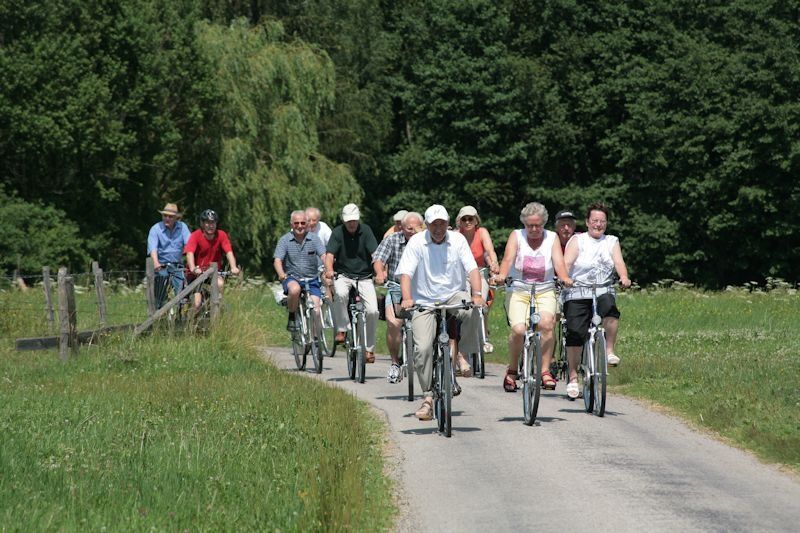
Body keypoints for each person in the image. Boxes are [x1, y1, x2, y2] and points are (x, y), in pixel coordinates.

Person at [396, 204, 485, 421]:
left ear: (448, 224)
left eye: (442, 223)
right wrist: (407, 299)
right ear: (427, 225)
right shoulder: (417, 242)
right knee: (423, 347)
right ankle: (427, 396)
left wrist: (477, 293)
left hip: (453, 295)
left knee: (473, 310)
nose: (438, 228)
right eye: (434, 224)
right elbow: (406, 274)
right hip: (423, 300)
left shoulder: (457, 240)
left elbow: (472, 269)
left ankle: (463, 355)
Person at [492, 202, 572, 393]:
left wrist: (565, 278)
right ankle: (512, 370)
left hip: (544, 289)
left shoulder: (551, 238)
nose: (534, 229)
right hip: (519, 290)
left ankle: (544, 370)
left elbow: (559, 263)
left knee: (546, 324)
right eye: (530, 225)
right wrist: (502, 276)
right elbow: (508, 259)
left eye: (538, 225)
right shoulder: (516, 236)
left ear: (544, 223)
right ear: (524, 224)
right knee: (519, 330)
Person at [563, 202, 631, 398]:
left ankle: (609, 350)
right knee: (575, 331)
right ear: (587, 222)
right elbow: (567, 263)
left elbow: (619, 262)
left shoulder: (611, 241)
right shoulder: (578, 240)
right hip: (577, 291)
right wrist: (565, 278)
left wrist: (624, 277)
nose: (598, 224)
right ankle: (574, 377)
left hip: (602, 289)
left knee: (610, 309)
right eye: (595, 221)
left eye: (602, 221)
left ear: (606, 224)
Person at [323, 203, 379, 362]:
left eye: (354, 220)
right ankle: (342, 329)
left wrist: (380, 271)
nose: (351, 224)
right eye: (348, 221)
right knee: (340, 293)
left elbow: (375, 254)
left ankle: (369, 349)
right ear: (344, 220)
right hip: (344, 274)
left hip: (365, 275)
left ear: (358, 219)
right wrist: (329, 269)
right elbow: (329, 255)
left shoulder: (366, 231)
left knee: (373, 311)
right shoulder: (337, 233)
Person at [373, 211, 424, 382]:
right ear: (401, 227)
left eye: (416, 228)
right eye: (409, 228)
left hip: (420, 289)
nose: (412, 231)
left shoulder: (427, 241)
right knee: (393, 322)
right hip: (396, 287)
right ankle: (395, 363)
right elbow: (379, 258)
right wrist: (380, 272)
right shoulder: (393, 239)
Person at [456, 205, 500, 355]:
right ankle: (462, 340)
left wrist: (494, 264)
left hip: (480, 274)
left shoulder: (482, 233)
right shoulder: (456, 235)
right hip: (462, 276)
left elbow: (489, 251)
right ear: (459, 222)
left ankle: (483, 337)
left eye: (471, 219)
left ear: (476, 221)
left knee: (481, 304)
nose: (468, 222)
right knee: (464, 306)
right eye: (464, 219)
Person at [274, 210, 326, 331]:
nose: (300, 226)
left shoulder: (314, 239)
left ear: (307, 224)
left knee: (317, 310)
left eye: (303, 223)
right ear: (291, 224)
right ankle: (292, 316)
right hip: (293, 277)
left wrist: (328, 268)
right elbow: (277, 260)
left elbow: (323, 255)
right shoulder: (285, 240)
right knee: (295, 289)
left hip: (312, 278)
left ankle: (315, 341)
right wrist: (281, 274)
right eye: (296, 223)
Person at [184, 209, 241, 309]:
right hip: (196, 274)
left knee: (220, 283)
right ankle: (192, 322)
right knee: (196, 304)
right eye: (208, 222)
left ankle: (216, 307)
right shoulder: (196, 235)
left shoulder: (221, 235)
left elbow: (229, 252)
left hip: (212, 273)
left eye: (213, 222)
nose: (211, 225)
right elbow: (189, 253)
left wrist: (233, 267)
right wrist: (193, 268)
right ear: (202, 224)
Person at [147, 203, 190, 308]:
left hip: (177, 265)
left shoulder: (182, 227)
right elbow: (153, 248)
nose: (167, 218)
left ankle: (181, 314)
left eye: (170, 216)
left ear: (176, 218)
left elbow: (189, 246)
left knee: (182, 292)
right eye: (165, 215)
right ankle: (157, 313)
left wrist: (191, 262)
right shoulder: (155, 229)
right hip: (161, 265)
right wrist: (156, 263)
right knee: (160, 289)